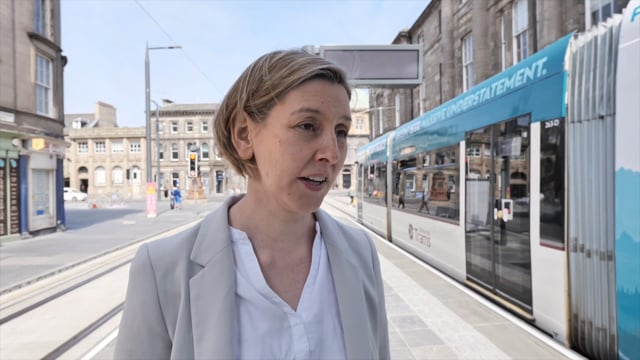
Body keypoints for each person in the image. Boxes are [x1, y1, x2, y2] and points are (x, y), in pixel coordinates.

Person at [115, 49, 390, 359]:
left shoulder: (360, 252)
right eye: (308, 126)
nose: (333, 153)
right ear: (244, 135)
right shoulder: (163, 268)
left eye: (341, 131)